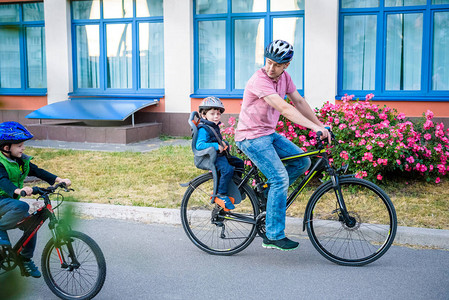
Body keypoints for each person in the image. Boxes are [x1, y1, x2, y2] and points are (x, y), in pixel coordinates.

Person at [235, 40, 330, 251]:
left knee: (302, 162)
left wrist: (320, 125)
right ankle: (273, 235)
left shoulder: (285, 77)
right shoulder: (259, 80)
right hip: (250, 137)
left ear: (286, 65)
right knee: (280, 178)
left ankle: (269, 194)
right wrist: (314, 129)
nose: (271, 68)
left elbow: (299, 102)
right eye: (269, 62)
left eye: (277, 65)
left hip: (268, 134)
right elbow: (284, 108)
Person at [0, 121, 71, 278]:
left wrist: (59, 179)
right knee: (21, 207)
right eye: (19, 145)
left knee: (33, 225)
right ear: (6, 147)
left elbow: (38, 171)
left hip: (8, 202)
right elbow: (3, 181)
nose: (23, 148)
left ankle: (24, 258)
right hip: (2, 199)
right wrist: (19, 190)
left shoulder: (21, 162)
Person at [196, 96, 244, 211]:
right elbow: (200, 145)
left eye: (218, 113)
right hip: (211, 157)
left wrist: (222, 143)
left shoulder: (213, 126)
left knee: (239, 163)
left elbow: (214, 139)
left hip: (219, 155)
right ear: (204, 115)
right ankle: (221, 194)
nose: (216, 116)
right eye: (212, 114)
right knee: (227, 169)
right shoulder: (204, 129)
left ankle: (235, 186)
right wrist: (216, 146)